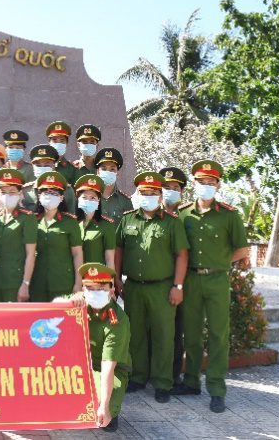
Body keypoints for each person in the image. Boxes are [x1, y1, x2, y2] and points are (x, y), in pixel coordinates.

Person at [171, 160, 249, 414]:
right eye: (201, 182)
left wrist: (221, 261)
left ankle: (216, 389)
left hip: (217, 280)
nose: (206, 186)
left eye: (210, 182)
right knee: (191, 334)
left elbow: (242, 249)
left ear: (218, 185)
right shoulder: (183, 214)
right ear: (194, 184)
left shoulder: (229, 215)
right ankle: (191, 382)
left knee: (218, 335)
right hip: (191, 280)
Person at [115, 171, 189, 403]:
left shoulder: (171, 222)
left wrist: (178, 285)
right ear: (138, 193)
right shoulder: (128, 219)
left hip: (162, 288)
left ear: (160, 195)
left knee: (163, 336)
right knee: (135, 334)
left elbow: (182, 255)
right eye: (144, 192)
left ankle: (163, 382)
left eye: (153, 192)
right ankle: (138, 377)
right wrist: (117, 279)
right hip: (134, 287)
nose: (148, 196)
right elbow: (119, 249)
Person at [55, 263, 130, 432]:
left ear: (112, 290)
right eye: (90, 288)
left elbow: (108, 366)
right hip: (80, 365)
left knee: (101, 403)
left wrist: (104, 406)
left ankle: (110, 409)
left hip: (110, 369)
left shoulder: (117, 320)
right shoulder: (80, 303)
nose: (95, 293)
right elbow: (53, 306)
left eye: (101, 288)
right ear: (83, 289)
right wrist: (69, 301)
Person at [0, 168, 38, 302]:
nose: (7, 195)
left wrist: (25, 283)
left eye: (12, 192)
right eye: (3, 192)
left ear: (20, 194)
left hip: (14, 280)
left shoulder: (27, 218)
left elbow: (31, 254)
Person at [30, 171, 83, 302]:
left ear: (61, 197)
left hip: (63, 283)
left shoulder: (70, 222)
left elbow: (77, 254)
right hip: (37, 284)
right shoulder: (32, 221)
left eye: (54, 193)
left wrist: (78, 284)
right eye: (46, 193)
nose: (49, 196)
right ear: (39, 196)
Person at [159, 166, 188, 387]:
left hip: (184, 281)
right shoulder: (152, 214)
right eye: (166, 187)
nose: (170, 191)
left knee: (178, 329)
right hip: (159, 281)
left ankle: (174, 373)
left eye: (175, 187)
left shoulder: (188, 216)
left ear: (182, 191)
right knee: (158, 329)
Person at [74, 174, 116, 267]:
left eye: (92, 198)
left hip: (96, 275)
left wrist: (110, 276)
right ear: (78, 200)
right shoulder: (71, 223)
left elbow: (109, 259)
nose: (88, 200)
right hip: (73, 275)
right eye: (84, 197)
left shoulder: (107, 225)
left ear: (98, 201)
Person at [47, 121, 79, 212]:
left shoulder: (72, 168)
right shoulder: (39, 166)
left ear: (67, 144)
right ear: (49, 142)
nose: (58, 144)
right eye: (55, 140)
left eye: (62, 141)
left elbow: (74, 196)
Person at [95, 147, 133, 223]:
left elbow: (129, 226)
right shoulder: (89, 197)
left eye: (112, 169)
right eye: (104, 169)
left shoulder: (125, 201)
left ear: (117, 172)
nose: (108, 172)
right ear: (98, 171)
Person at [21, 144, 60, 209]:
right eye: (38, 165)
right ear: (32, 166)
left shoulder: (66, 190)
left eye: (47, 165)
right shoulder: (25, 190)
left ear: (54, 165)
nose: (42, 168)